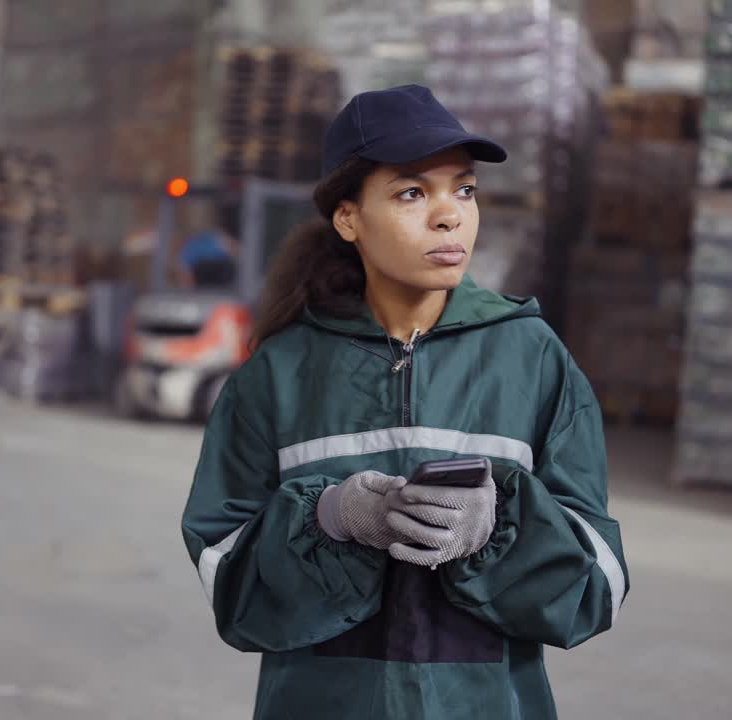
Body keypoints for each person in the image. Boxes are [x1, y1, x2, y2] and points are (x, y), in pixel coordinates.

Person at [181, 85, 628, 719]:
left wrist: (497, 523)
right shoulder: (278, 372)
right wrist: (330, 518)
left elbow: (596, 588)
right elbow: (229, 585)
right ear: (348, 217)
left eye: (464, 190)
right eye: (412, 193)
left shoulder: (532, 359)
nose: (450, 215)